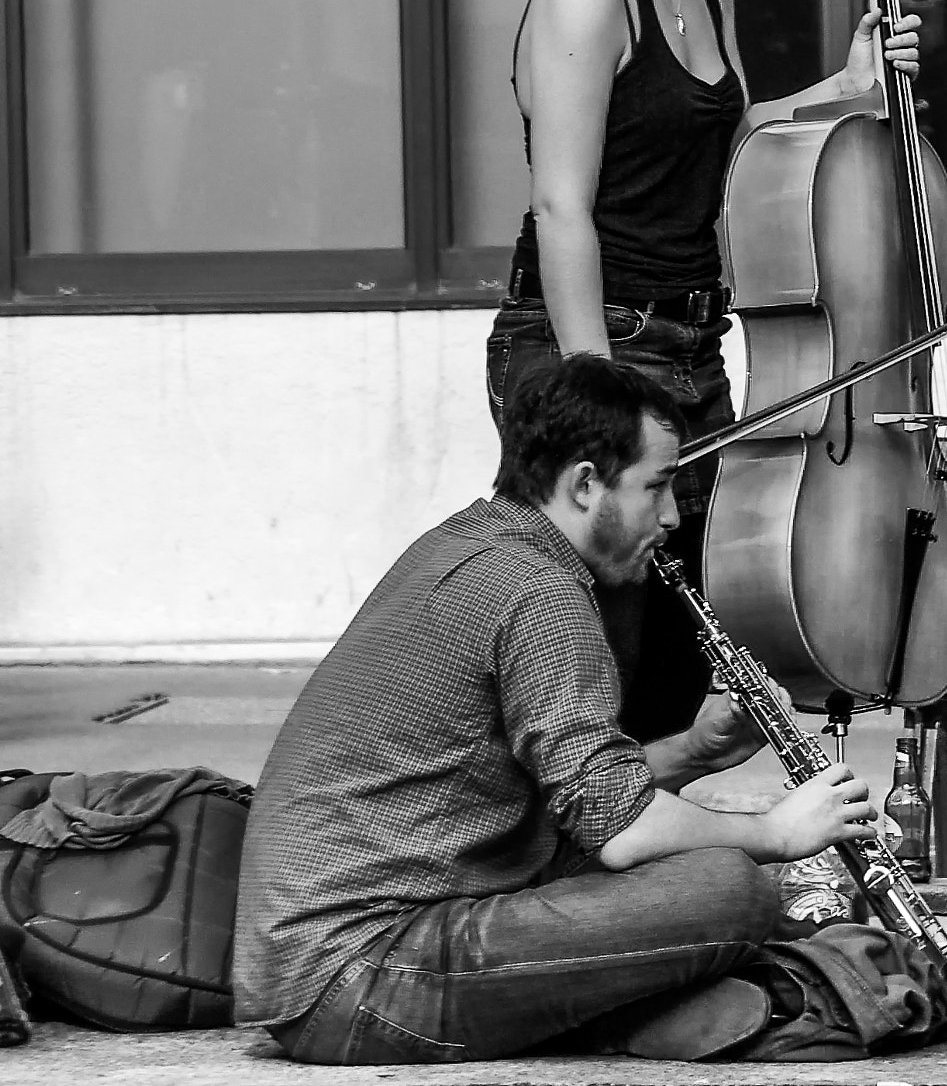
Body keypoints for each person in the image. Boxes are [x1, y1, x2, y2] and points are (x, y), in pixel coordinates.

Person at [235, 356, 879, 1064]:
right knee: (730, 886)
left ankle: (613, 1005)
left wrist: (696, 750)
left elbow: (574, 797)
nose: (670, 516)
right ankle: (615, 1011)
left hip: (323, 958)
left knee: (686, 875)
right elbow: (622, 829)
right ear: (583, 483)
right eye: (657, 486)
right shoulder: (542, 594)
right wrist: (777, 830)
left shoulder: (469, 542)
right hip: (359, 973)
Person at [482, 0, 920, 739]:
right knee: (604, 648)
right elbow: (562, 208)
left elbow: (717, 138)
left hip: (685, 344)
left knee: (687, 650)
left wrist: (845, 90)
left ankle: (650, 865)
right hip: (585, 342)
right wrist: (597, 398)